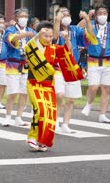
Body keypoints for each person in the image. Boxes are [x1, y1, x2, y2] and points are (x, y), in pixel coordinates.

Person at [25, 21, 83, 151]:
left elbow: (68, 53)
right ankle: (33, 137)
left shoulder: (54, 49)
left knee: (49, 113)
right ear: (39, 35)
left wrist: (67, 39)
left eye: (50, 36)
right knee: (40, 110)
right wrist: (36, 35)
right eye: (45, 35)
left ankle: (43, 140)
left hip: (49, 85)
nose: (48, 38)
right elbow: (29, 46)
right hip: (34, 84)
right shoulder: (32, 45)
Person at [53, 7, 96, 133]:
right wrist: (57, 21)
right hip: (58, 67)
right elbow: (54, 38)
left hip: (72, 67)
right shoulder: (53, 29)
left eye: (68, 14)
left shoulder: (75, 30)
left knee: (71, 99)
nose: (65, 16)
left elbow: (90, 36)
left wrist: (87, 19)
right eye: (63, 14)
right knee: (59, 95)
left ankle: (65, 124)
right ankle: (54, 121)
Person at [2, 8, 36, 127]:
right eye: (22, 16)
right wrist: (26, 35)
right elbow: (12, 39)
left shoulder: (31, 30)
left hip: (27, 64)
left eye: (26, 16)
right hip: (13, 64)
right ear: (16, 18)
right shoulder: (10, 29)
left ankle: (19, 117)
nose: (24, 18)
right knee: (13, 92)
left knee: (24, 92)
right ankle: (8, 116)